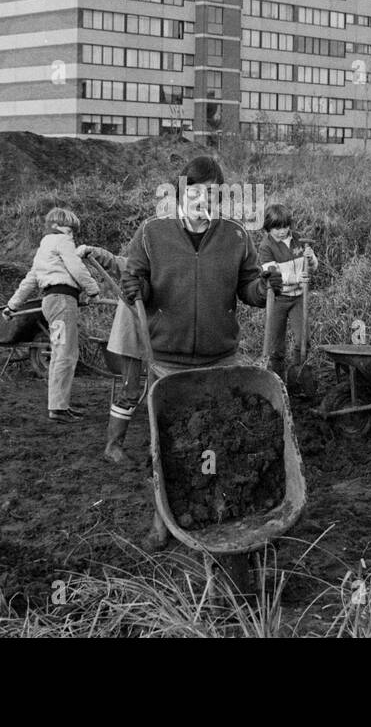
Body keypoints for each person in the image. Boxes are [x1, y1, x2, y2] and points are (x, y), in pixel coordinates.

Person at [120, 156, 283, 548]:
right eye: (194, 192)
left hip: (220, 359)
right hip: (167, 361)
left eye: (212, 192)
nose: (203, 200)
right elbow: (137, 281)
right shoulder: (151, 233)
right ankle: (162, 519)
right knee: (167, 447)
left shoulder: (235, 236)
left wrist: (264, 289)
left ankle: (222, 511)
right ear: (180, 194)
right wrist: (133, 290)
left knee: (221, 441)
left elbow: (248, 288)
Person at [3, 207, 101, 423]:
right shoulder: (62, 241)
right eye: (70, 229)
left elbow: (30, 280)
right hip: (63, 303)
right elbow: (76, 267)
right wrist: (93, 289)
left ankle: (59, 405)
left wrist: (12, 306)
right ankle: (58, 409)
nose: (72, 234)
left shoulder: (43, 249)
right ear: (58, 226)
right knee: (65, 354)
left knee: (59, 353)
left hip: (51, 303)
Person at [73, 242, 144, 464]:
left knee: (160, 392)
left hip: (162, 339)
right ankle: (113, 447)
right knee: (131, 391)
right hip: (134, 337)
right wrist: (93, 252)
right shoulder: (142, 262)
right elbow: (116, 262)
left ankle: (159, 444)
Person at [256, 204, 318, 380]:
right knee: (276, 347)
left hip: (299, 298)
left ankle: (297, 376)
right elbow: (273, 275)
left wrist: (311, 258)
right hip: (278, 299)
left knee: (303, 340)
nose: (282, 231)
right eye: (277, 228)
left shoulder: (298, 240)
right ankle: (278, 381)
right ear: (268, 228)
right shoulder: (266, 247)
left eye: (285, 226)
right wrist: (297, 279)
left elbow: (314, 267)